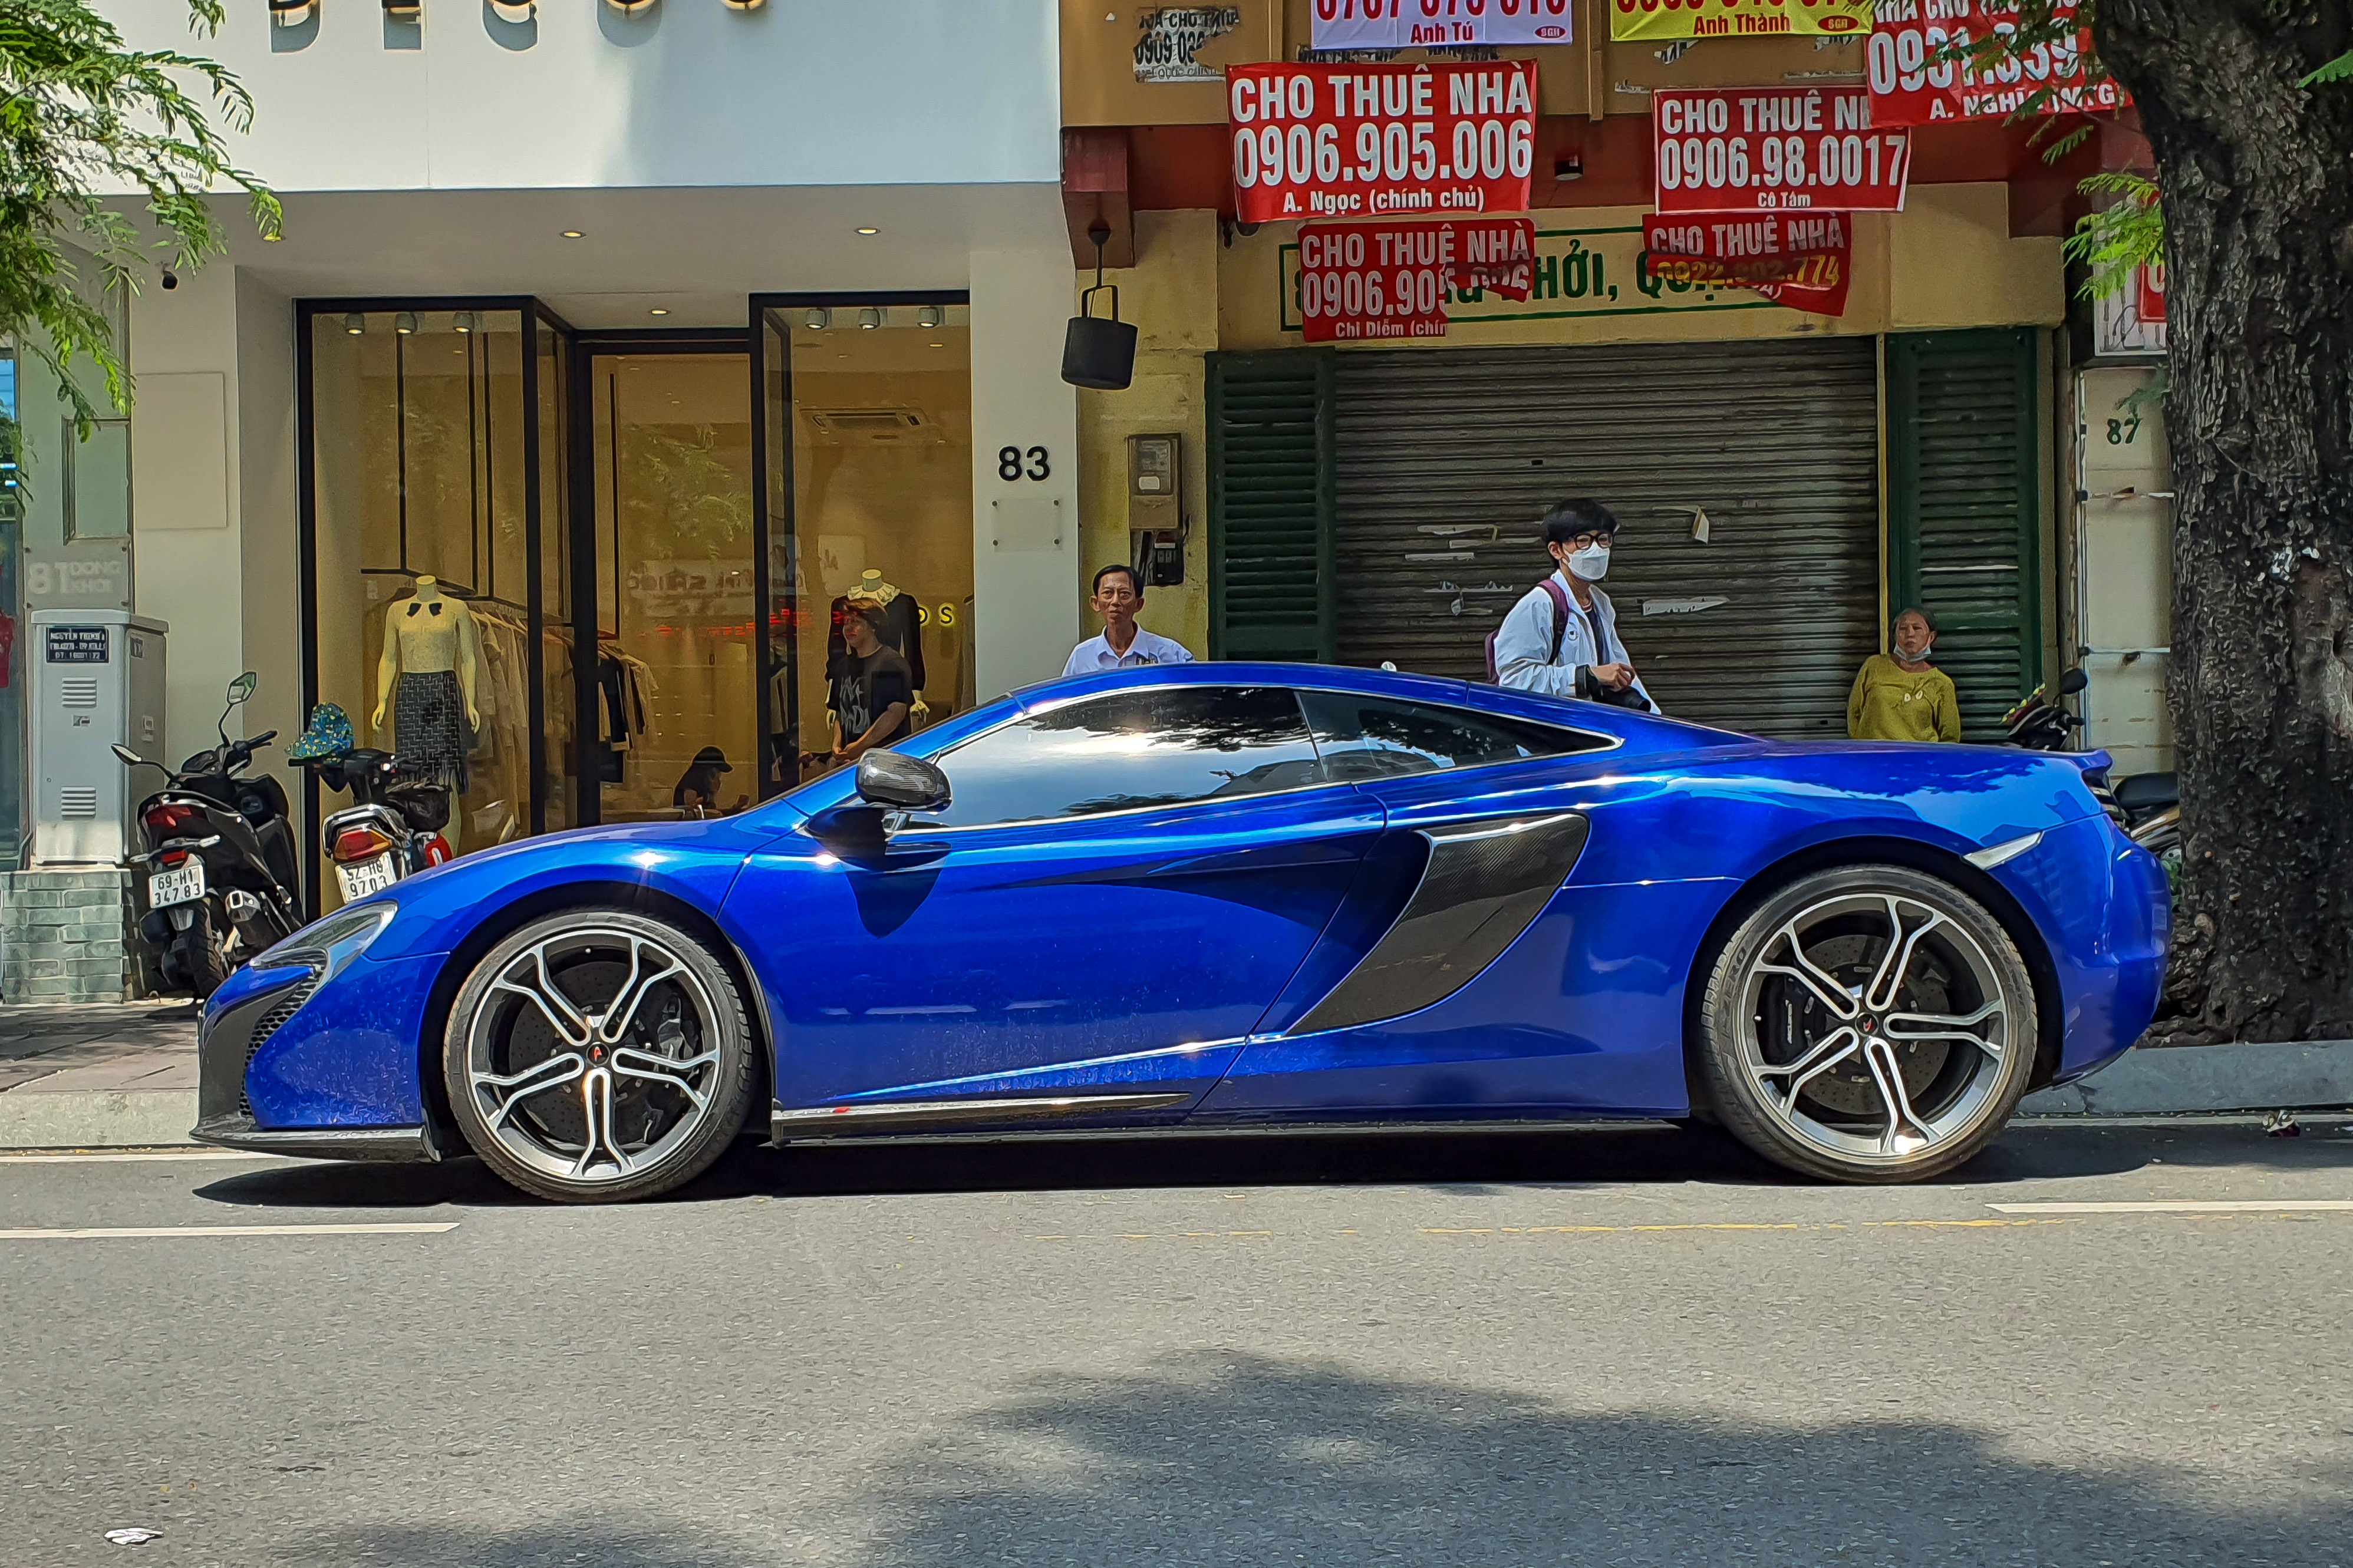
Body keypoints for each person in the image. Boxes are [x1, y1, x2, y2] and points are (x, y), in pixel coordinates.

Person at [1491, 498, 1656, 711]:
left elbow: (1621, 671)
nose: (1596, 549)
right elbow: (1514, 680)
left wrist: (1656, 720)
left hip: (1591, 731)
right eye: (1583, 540)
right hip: (1551, 737)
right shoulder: (1539, 604)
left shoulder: (1600, 603)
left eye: (1603, 539)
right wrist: (1584, 677)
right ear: (1556, 550)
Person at [1848, 607, 1961, 742]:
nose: (1910, 634)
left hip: (1917, 759)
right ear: (1895, 635)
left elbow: (1951, 737)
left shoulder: (1941, 683)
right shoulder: (1874, 666)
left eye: (1917, 628)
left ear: (1931, 637)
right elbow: (1854, 711)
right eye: (1903, 628)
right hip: (1873, 757)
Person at [1064, 563, 1195, 676]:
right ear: (1096, 603)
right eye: (1108, 593)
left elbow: (1195, 698)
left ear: (1139, 604)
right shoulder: (1082, 656)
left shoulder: (1172, 654)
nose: (1115, 601)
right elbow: (1066, 700)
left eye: (1124, 594)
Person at [831, 600, 915, 767]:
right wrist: (837, 745)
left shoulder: (891, 663)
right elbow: (840, 712)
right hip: (850, 762)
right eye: (845, 622)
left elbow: (895, 713)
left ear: (873, 626)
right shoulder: (843, 666)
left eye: (855, 622)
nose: (848, 628)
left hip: (885, 763)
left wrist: (860, 746)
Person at [672, 746, 743, 813]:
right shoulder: (691, 788)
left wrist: (735, 809)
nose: (718, 782)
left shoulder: (703, 793)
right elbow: (695, 815)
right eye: (714, 776)